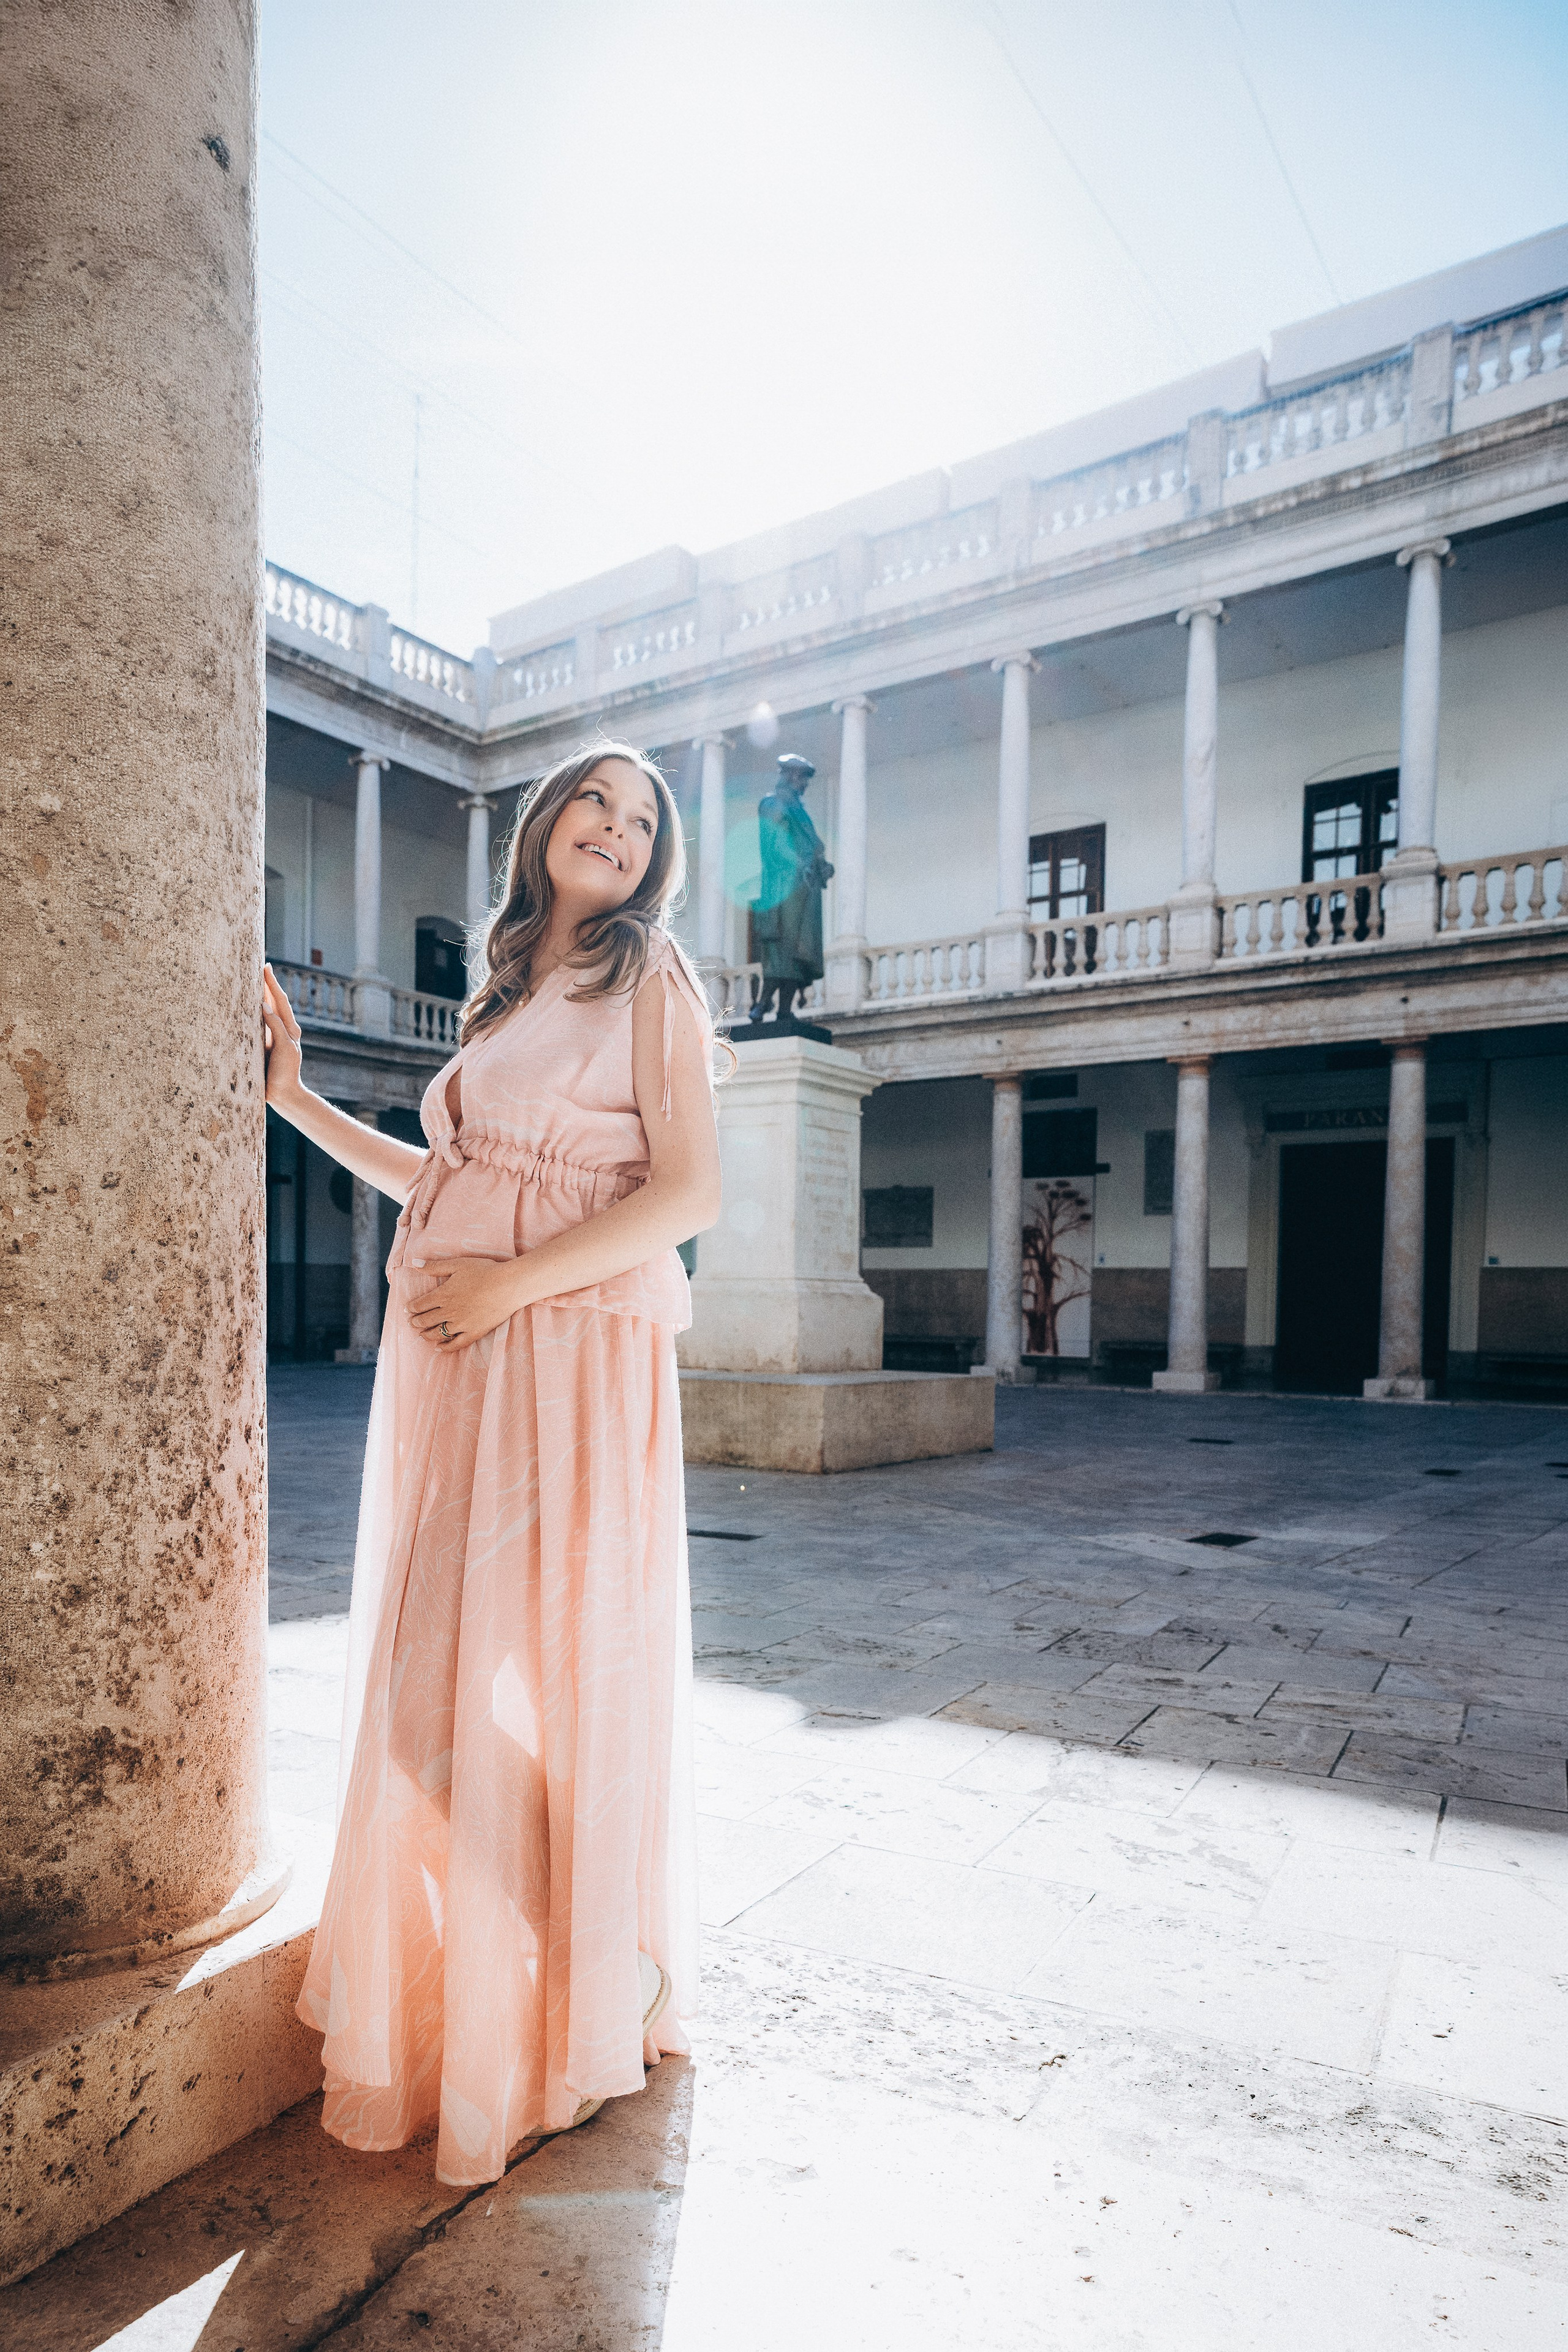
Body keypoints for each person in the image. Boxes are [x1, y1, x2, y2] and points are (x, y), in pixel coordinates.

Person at [261, 741, 722, 2188]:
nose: (619, 829)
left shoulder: (652, 977)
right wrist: (292, 1100)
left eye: (643, 820)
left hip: (566, 1354)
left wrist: (510, 1294)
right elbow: (448, 1179)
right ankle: (603, 1955)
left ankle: (602, 1973)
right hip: (469, 1358)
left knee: (531, 1679)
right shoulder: (515, 988)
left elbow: (687, 1190)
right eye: (595, 800)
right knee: (427, 1702)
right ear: (543, 826)